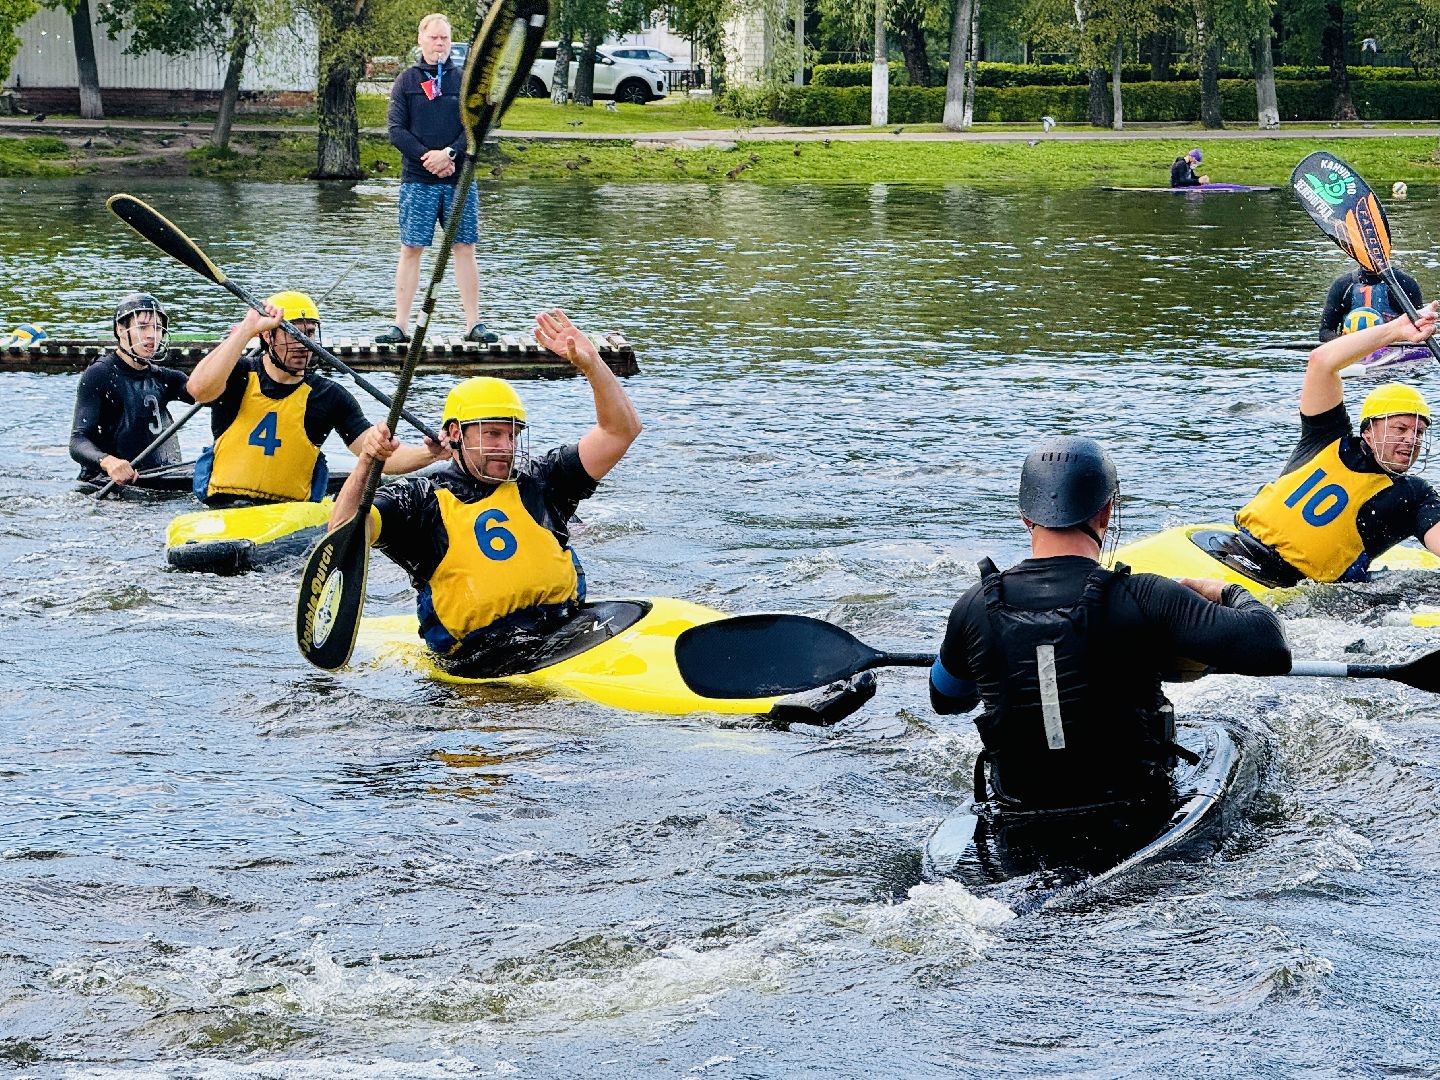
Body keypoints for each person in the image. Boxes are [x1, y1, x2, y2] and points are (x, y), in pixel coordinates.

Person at [929, 436, 1290, 813]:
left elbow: (946, 699)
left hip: (1019, 803)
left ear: (1026, 517)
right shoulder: (1145, 596)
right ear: (1105, 513)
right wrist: (1227, 591)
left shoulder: (974, 606)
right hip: (1132, 803)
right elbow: (1271, 650)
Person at [331, 309, 642, 658]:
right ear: (454, 433)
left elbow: (621, 431)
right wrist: (367, 462)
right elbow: (340, 536)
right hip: (479, 661)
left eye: (512, 435)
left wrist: (592, 365)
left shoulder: (543, 480)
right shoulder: (418, 501)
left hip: (565, 633)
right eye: (493, 433)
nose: (506, 447)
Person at [1227, 302, 1440, 585]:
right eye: (1400, 428)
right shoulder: (1326, 437)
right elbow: (1322, 362)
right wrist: (1394, 331)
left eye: (1419, 432)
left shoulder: (1414, 496)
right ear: (1368, 431)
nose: (1411, 439)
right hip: (1238, 550)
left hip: (1299, 592)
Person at [187, 291, 441, 506]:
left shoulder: (329, 396)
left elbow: (378, 456)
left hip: (286, 517)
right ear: (268, 336)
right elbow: (198, 389)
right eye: (291, 333)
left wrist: (431, 454)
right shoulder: (238, 375)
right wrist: (246, 330)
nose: (301, 344)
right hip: (221, 507)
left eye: (308, 333)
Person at [377, 13, 498, 347]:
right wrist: (427, 157)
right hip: (418, 179)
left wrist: (451, 154)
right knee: (411, 248)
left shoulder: (466, 81)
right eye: (434, 38)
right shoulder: (406, 81)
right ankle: (400, 325)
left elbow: (476, 127)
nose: (440, 44)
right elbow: (396, 130)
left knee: (464, 247)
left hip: (459, 178)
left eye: (445, 38)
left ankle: (474, 323)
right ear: (421, 40)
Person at [70, 293, 193, 486]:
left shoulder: (166, 378)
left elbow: (214, 396)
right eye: (142, 327)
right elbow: (78, 440)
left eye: (158, 328)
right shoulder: (99, 374)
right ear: (120, 329)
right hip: (108, 484)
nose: (152, 335)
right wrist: (109, 462)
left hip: (158, 478)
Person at [1318, 266, 1425, 342]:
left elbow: (1419, 329)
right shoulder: (1342, 284)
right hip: (1351, 348)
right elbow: (1325, 332)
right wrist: (1343, 342)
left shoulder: (1405, 284)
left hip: (1391, 348)